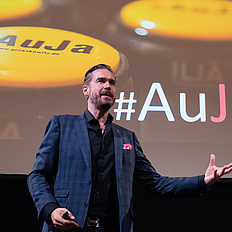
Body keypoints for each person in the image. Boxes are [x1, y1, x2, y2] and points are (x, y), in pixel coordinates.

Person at [27, 64, 232, 232]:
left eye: (112, 82)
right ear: (86, 90)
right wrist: (50, 209)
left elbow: (155, 183)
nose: (108, 85)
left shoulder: (127, 137)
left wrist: (202, 181)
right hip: (68, 225)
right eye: (101, 81)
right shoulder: (62, 125)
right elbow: (37, 175)